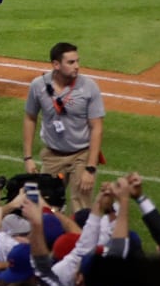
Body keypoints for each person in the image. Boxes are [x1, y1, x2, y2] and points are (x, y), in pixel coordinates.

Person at [23, 42, 105, 201]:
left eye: (77, 61)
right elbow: (29, 118)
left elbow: (97, 127)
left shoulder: (89, 87)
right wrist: (28, 157)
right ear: (56, 64)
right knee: (46, 206)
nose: (77, 66)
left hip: (81, 155)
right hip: (52, 154)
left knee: (82, 208)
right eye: (71, 62)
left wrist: (91, 168)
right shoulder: (38, 86)